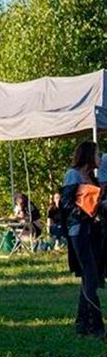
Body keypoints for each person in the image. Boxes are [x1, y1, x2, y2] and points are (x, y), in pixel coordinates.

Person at [59, 141, 103, 337]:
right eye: (97, 153)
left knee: (89, 278)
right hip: (79, 231)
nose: (100, 157)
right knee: (91, 278)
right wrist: (88, 212)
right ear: (88, 155)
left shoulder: (92, 177)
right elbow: (67, 204)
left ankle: (82, 323)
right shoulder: (73, 174)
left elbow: (94, 203)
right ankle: (96, 325)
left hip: (93, 231)